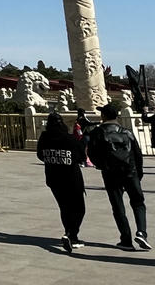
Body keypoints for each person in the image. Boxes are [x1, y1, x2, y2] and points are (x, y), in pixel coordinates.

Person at [87, 102, 149, 251]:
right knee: (138, 202)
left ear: (103, 116)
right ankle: (141, 232)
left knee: (118, 206)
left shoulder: (97, 132)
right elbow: (137, 154)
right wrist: (138, 173)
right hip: (130, 171)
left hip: (111, 173)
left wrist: (102, 165)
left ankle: (126, 239)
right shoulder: (127, 132)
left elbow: (92, 153)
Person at [36, 111, 87, 252]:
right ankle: (71, 234)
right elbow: (81, 156)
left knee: (64, 207)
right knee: (79, 208)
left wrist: (52, 160)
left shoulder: (44, 138)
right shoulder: (69, 139)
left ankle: (70, 233)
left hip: (53, 178)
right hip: (71, 178)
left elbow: (40, 154)